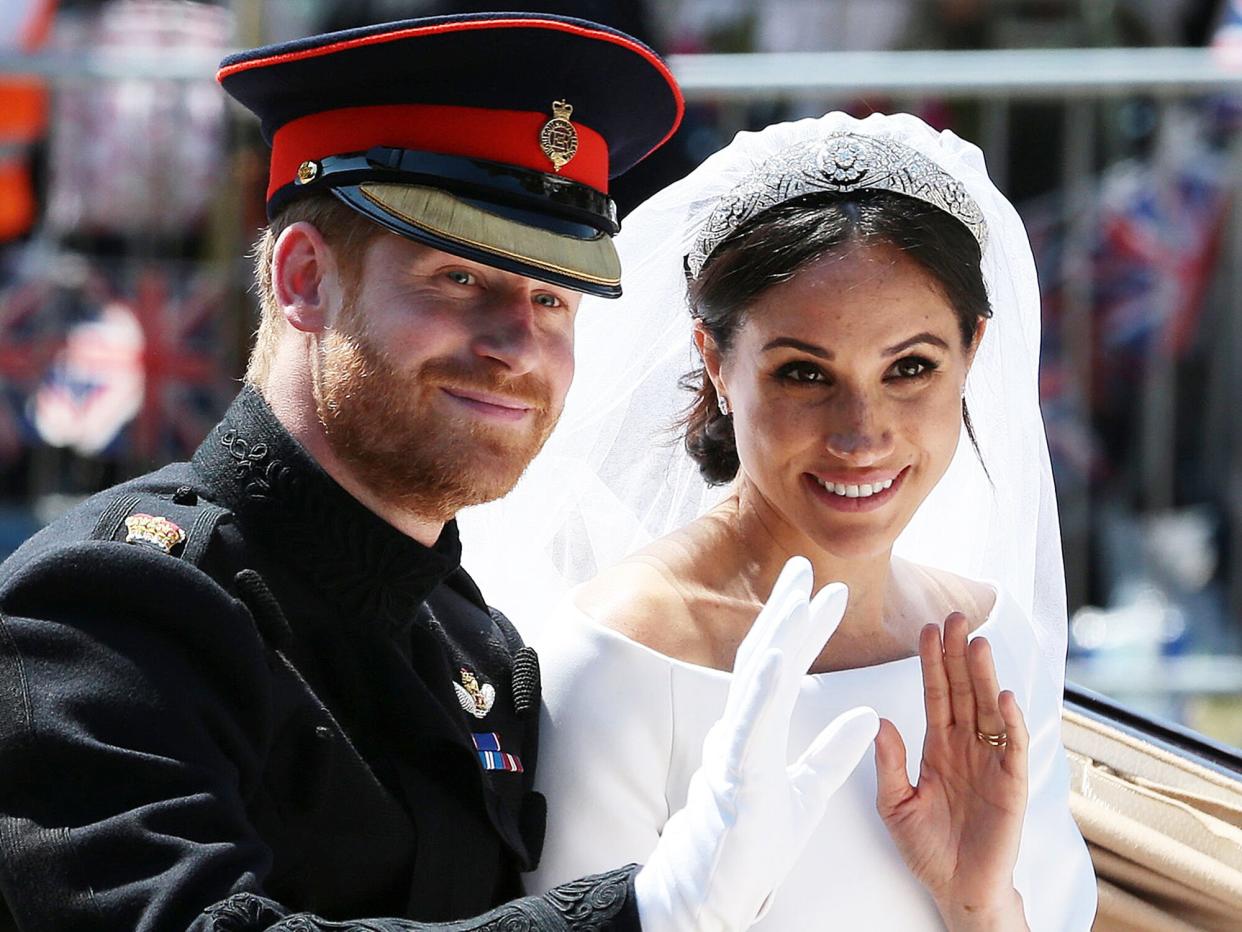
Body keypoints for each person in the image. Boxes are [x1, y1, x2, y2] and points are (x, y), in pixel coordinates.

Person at [0, 15, 883, 932]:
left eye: (553, 298)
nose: (517, 345)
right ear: (304, 279)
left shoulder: (475, 644)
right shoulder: (108, 606)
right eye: (461, 279)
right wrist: (640, 916)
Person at [460, 112, 1099, 928]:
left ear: (972, 352)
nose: (861, 433)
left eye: (910, 367)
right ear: (716, 361)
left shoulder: (987, 643)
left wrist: (978, 905)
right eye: (804, 372)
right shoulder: (622, 657)